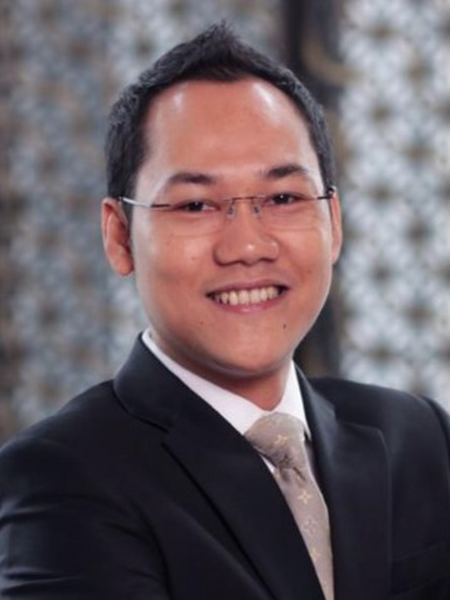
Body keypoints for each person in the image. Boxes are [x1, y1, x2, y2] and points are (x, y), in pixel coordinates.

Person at [0, 22, 449, 600]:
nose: (247, 246)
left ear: (334, 222)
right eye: (195, 205)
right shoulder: (61, 477)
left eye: (283, 198)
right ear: (119, 236)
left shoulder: (419, 439)